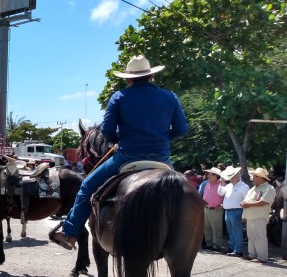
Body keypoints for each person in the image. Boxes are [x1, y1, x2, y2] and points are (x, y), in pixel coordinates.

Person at [51, 54, 188, 250]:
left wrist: (119, 140)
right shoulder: (170, 97)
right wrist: (163, 139)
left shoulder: (119, 97)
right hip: (162, 158)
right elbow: (182, 130)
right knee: (182, 193)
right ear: (151, 76)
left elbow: (106, 131)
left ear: (128, 78)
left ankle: (69, 234)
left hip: (127, 156)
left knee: (87, 187)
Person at [240, 167, 276, 263]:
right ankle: (252, 255)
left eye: (255, 176)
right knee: (251, 237)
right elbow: (247, 199)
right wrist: (244, 203)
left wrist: (247, 204)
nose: (253, 178)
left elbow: (264, 202)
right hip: (251, 215)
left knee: (260, 236)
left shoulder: (269, 188)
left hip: (259, 216)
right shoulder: (253, 188)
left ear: (260, 178)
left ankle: (262, 257)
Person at [217, 166, 249, 257]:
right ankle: (232, 248)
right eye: (230, 177)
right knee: (230, 231)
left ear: (237, 176)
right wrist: (221, 183)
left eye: (233, 177)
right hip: (228, 211)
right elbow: (220, 193)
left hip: (237, 210)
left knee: (236, 231)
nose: (231, 179)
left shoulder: (244, 187)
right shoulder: (228, 186)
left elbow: (246, 200)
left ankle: (238, 250)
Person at [201, 167, 225, 251]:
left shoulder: (221, 185)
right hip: (206, 208)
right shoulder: (207, 184)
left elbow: (226, 197)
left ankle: (216, 245)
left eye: (210, 174)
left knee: (216, 228)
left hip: (215, 209)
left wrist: (221, 205)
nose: (208, 176)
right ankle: (209, 244)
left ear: (216, 176)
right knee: (207, 228)